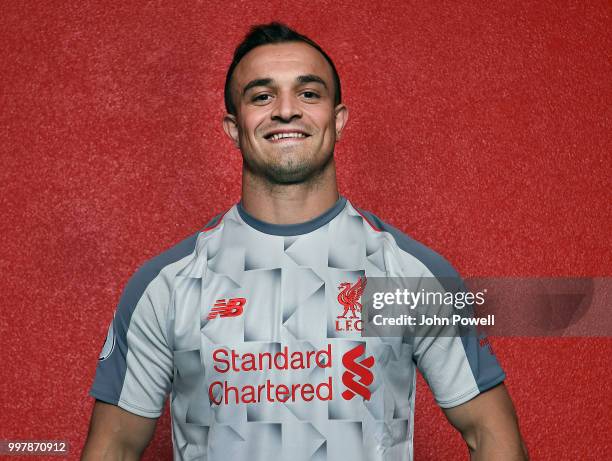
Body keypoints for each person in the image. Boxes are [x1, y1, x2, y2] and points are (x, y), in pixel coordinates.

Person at [82, 22, 527, 461]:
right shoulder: (169, 284)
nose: (286, 110)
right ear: (233, 128)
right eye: (262, 96)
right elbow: (114, 446)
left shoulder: (407, 276)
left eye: (308, 93)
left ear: (338, 120)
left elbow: (490, 433)